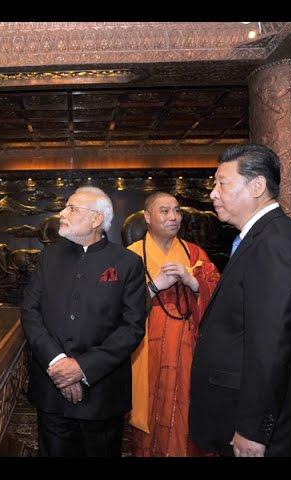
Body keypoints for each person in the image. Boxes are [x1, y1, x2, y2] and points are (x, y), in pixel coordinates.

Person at [189, 144, 291, 457]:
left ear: (257, 186)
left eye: (222, 183)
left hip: (259, 427)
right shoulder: (258, 238)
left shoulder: (275, 244)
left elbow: (270, 345)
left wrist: (252, 428)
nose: (213, 194)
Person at [21, 186, 147, 456]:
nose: (62, 213)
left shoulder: (128, 263)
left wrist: (82, 368)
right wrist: (59, 365)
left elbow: (132, 328)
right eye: (65, 207)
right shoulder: (48, 257)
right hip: (51, 389)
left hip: (102, 394)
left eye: (72, 208)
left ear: (96, 220)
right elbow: (30, 312)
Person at [127, 192, 220, 456]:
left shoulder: (194, 254)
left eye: (177, 211)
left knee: (187, 414)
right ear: (147, 217)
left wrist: (193, 282)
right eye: (164, 211)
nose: (173, 217)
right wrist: (154, 287)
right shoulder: (130, 257)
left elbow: (222, 297)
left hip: (189, 353)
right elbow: (112, 308)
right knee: (149, 419)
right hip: (145, 352)